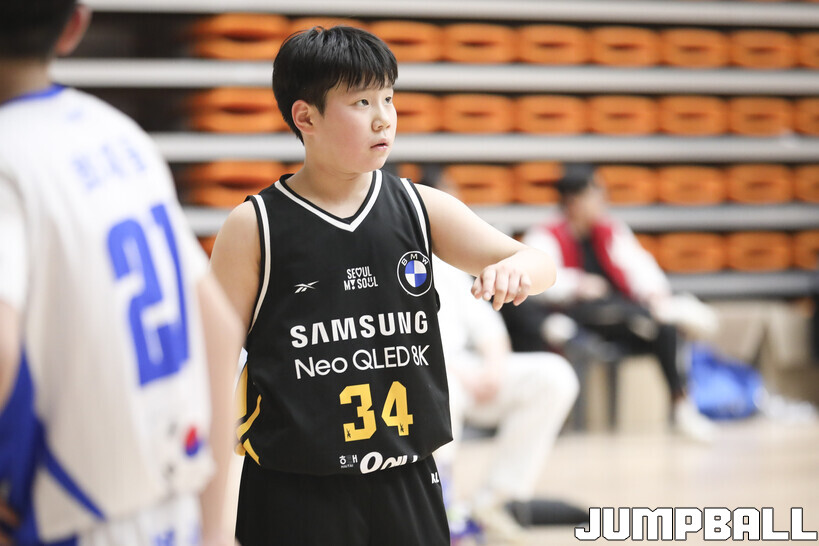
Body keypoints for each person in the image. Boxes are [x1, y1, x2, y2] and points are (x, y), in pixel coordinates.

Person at [209, 26, 555, 545]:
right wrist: (210, 518)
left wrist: (518, 269)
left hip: (408, 478)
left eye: (388, 98)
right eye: (361, 101)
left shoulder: (420, 206)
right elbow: (210, 373)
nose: (383, 118)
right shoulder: (253, 226)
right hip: (294, 488)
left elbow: (539, 262)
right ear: (306, 117)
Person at [0, 2, 242, 544]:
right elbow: (220, 328)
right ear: (74, 26)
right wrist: (214, 530)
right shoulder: (118, 133)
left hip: (69, 516)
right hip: (172, 511)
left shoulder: (7, 156)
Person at [503, 164, 717, 442]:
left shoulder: (610, 231)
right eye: (596, 194)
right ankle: (666, 312)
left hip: (619, 315)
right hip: (577, 317)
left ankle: (682, 406)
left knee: (666, 332)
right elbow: (538, 280)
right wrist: (580, 284)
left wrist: (654, 293)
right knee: (621, 312)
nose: (602, 201)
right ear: (574, 201)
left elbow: (640, 267)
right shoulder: (545, 234)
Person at [432, 257, 579, 544]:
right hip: (423, 373)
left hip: (471, 366)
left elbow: (488, 328)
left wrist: (495, 366)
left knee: (554, 376)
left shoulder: (443, 262)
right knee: (439, 387)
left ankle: (492, 505)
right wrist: (455, 371)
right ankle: (442, 504)